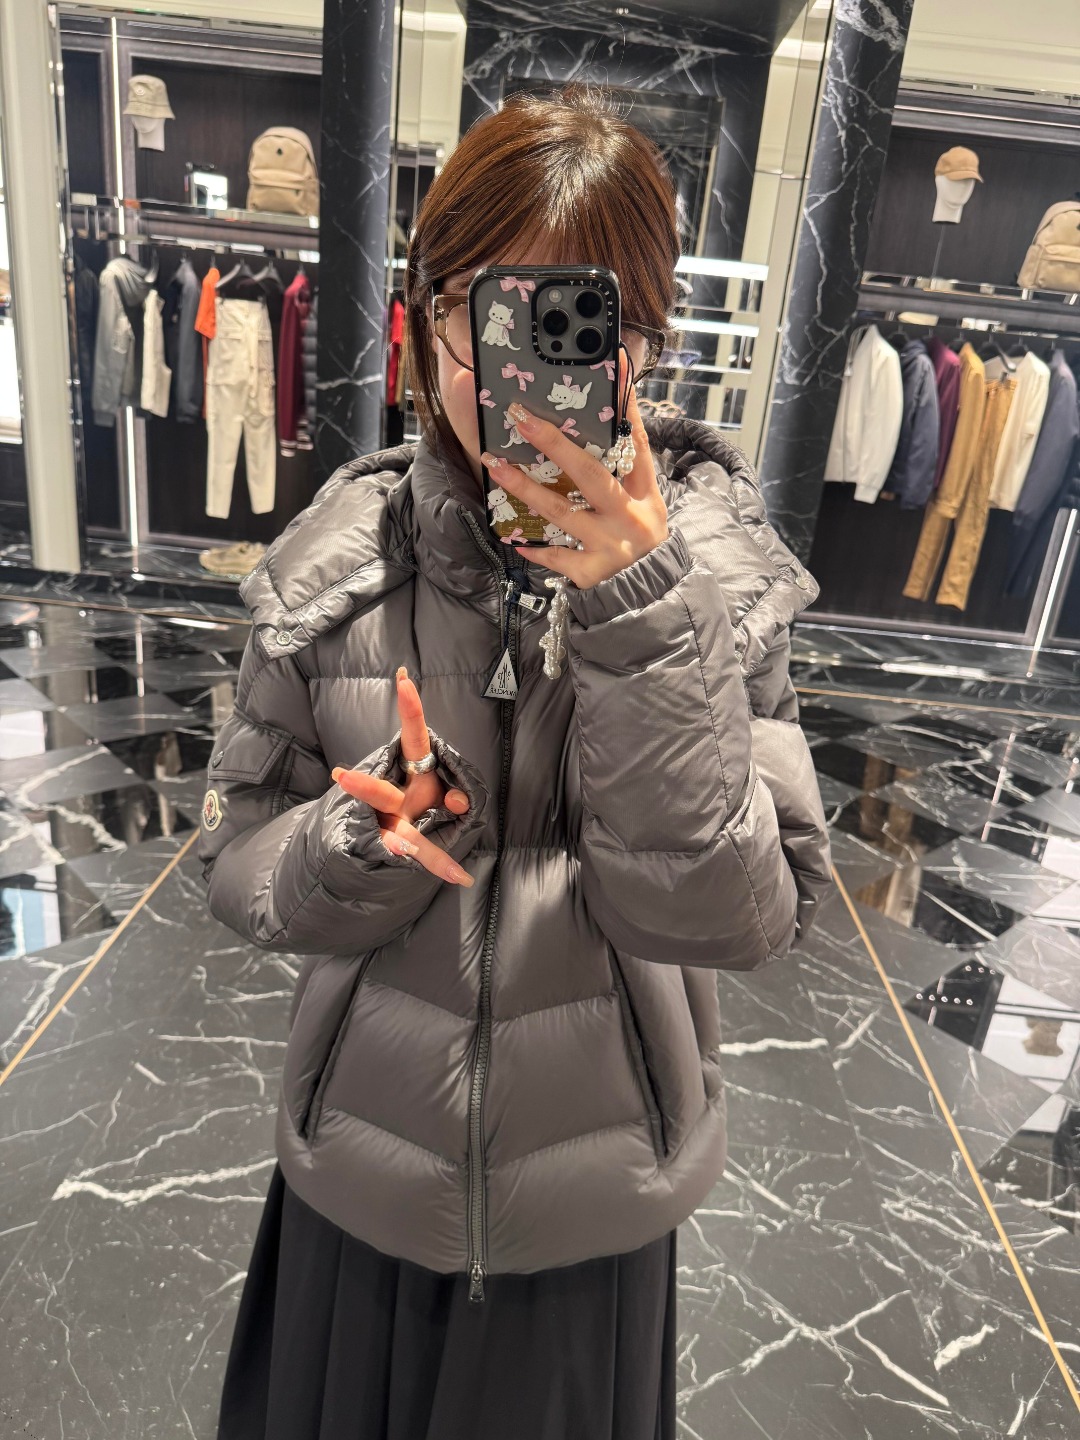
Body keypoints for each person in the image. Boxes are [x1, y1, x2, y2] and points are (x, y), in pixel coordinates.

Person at [201, 84, 831, 1440]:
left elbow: (738, 919)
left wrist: (643, 615)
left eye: (582, 324)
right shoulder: (335, 563)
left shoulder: (721, 584)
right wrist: (351, 845)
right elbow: (236, 858)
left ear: (643, 346)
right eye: (484, 313)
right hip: (360, 1183)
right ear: (425, 317)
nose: (520, 373)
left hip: (586, 1219)